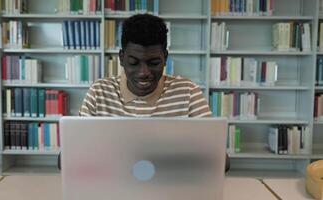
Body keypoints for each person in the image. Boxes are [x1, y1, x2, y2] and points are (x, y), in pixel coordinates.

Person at [62, 13, 229, 171]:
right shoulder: (99, 92)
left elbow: (223, 161)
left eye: (153, 62)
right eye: (134, 63)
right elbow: (67, 158)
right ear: (121, 58)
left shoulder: (187, 92)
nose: (143, 72)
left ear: (165, 58)